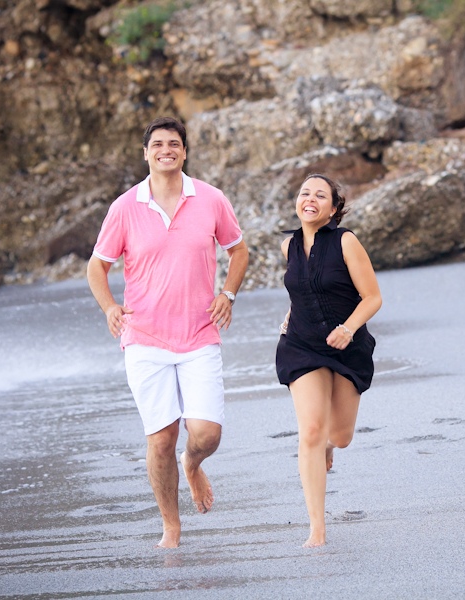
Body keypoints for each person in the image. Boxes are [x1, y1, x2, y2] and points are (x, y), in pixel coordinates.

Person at [86, 116, 249, 549]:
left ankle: (193, 465)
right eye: (157, 144)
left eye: (173, 143)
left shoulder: (211, 199)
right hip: (144, 339)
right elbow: (97, 265)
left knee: (206, 434)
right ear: (145, 153)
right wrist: (109, 307)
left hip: (199, 333)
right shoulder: (124, 207)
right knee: (161, 438)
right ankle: (171, 527)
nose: (166, 150)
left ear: (184, 151)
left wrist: (228, 293)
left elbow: (238, 250)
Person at [275, 173, 382, 548]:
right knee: (310, 432)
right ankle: (317, 528)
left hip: (346, 346)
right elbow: (302, 288)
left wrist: (349, 329)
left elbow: (372, 297)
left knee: (339, 436)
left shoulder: (346, 241)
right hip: (301, 345)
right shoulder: (289, 245)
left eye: (320, 195)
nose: (310, 199)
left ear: (333, 208)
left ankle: (330, 446)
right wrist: (291, 313)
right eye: (305, 193)